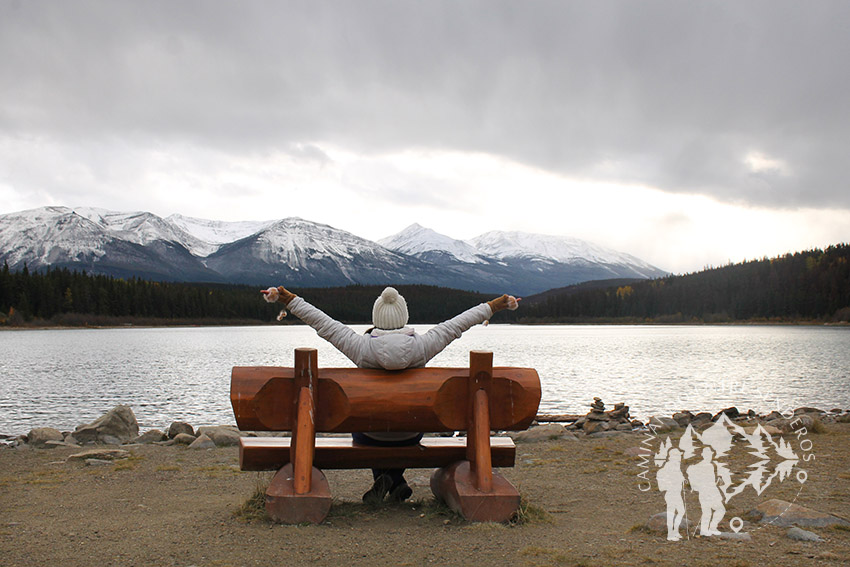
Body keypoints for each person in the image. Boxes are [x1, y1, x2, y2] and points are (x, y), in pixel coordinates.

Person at [261, 285, 519, 504]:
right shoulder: (423, 345)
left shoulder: (359, 347)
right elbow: (459, 323)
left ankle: (389, 480)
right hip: (411, 432)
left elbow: (322, 322)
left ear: (377, 316)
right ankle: (394, 481)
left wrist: (288, 299)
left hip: (369, 434)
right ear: (403, 316)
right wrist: (496, 305)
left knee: (372, 420)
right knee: (402, 422)